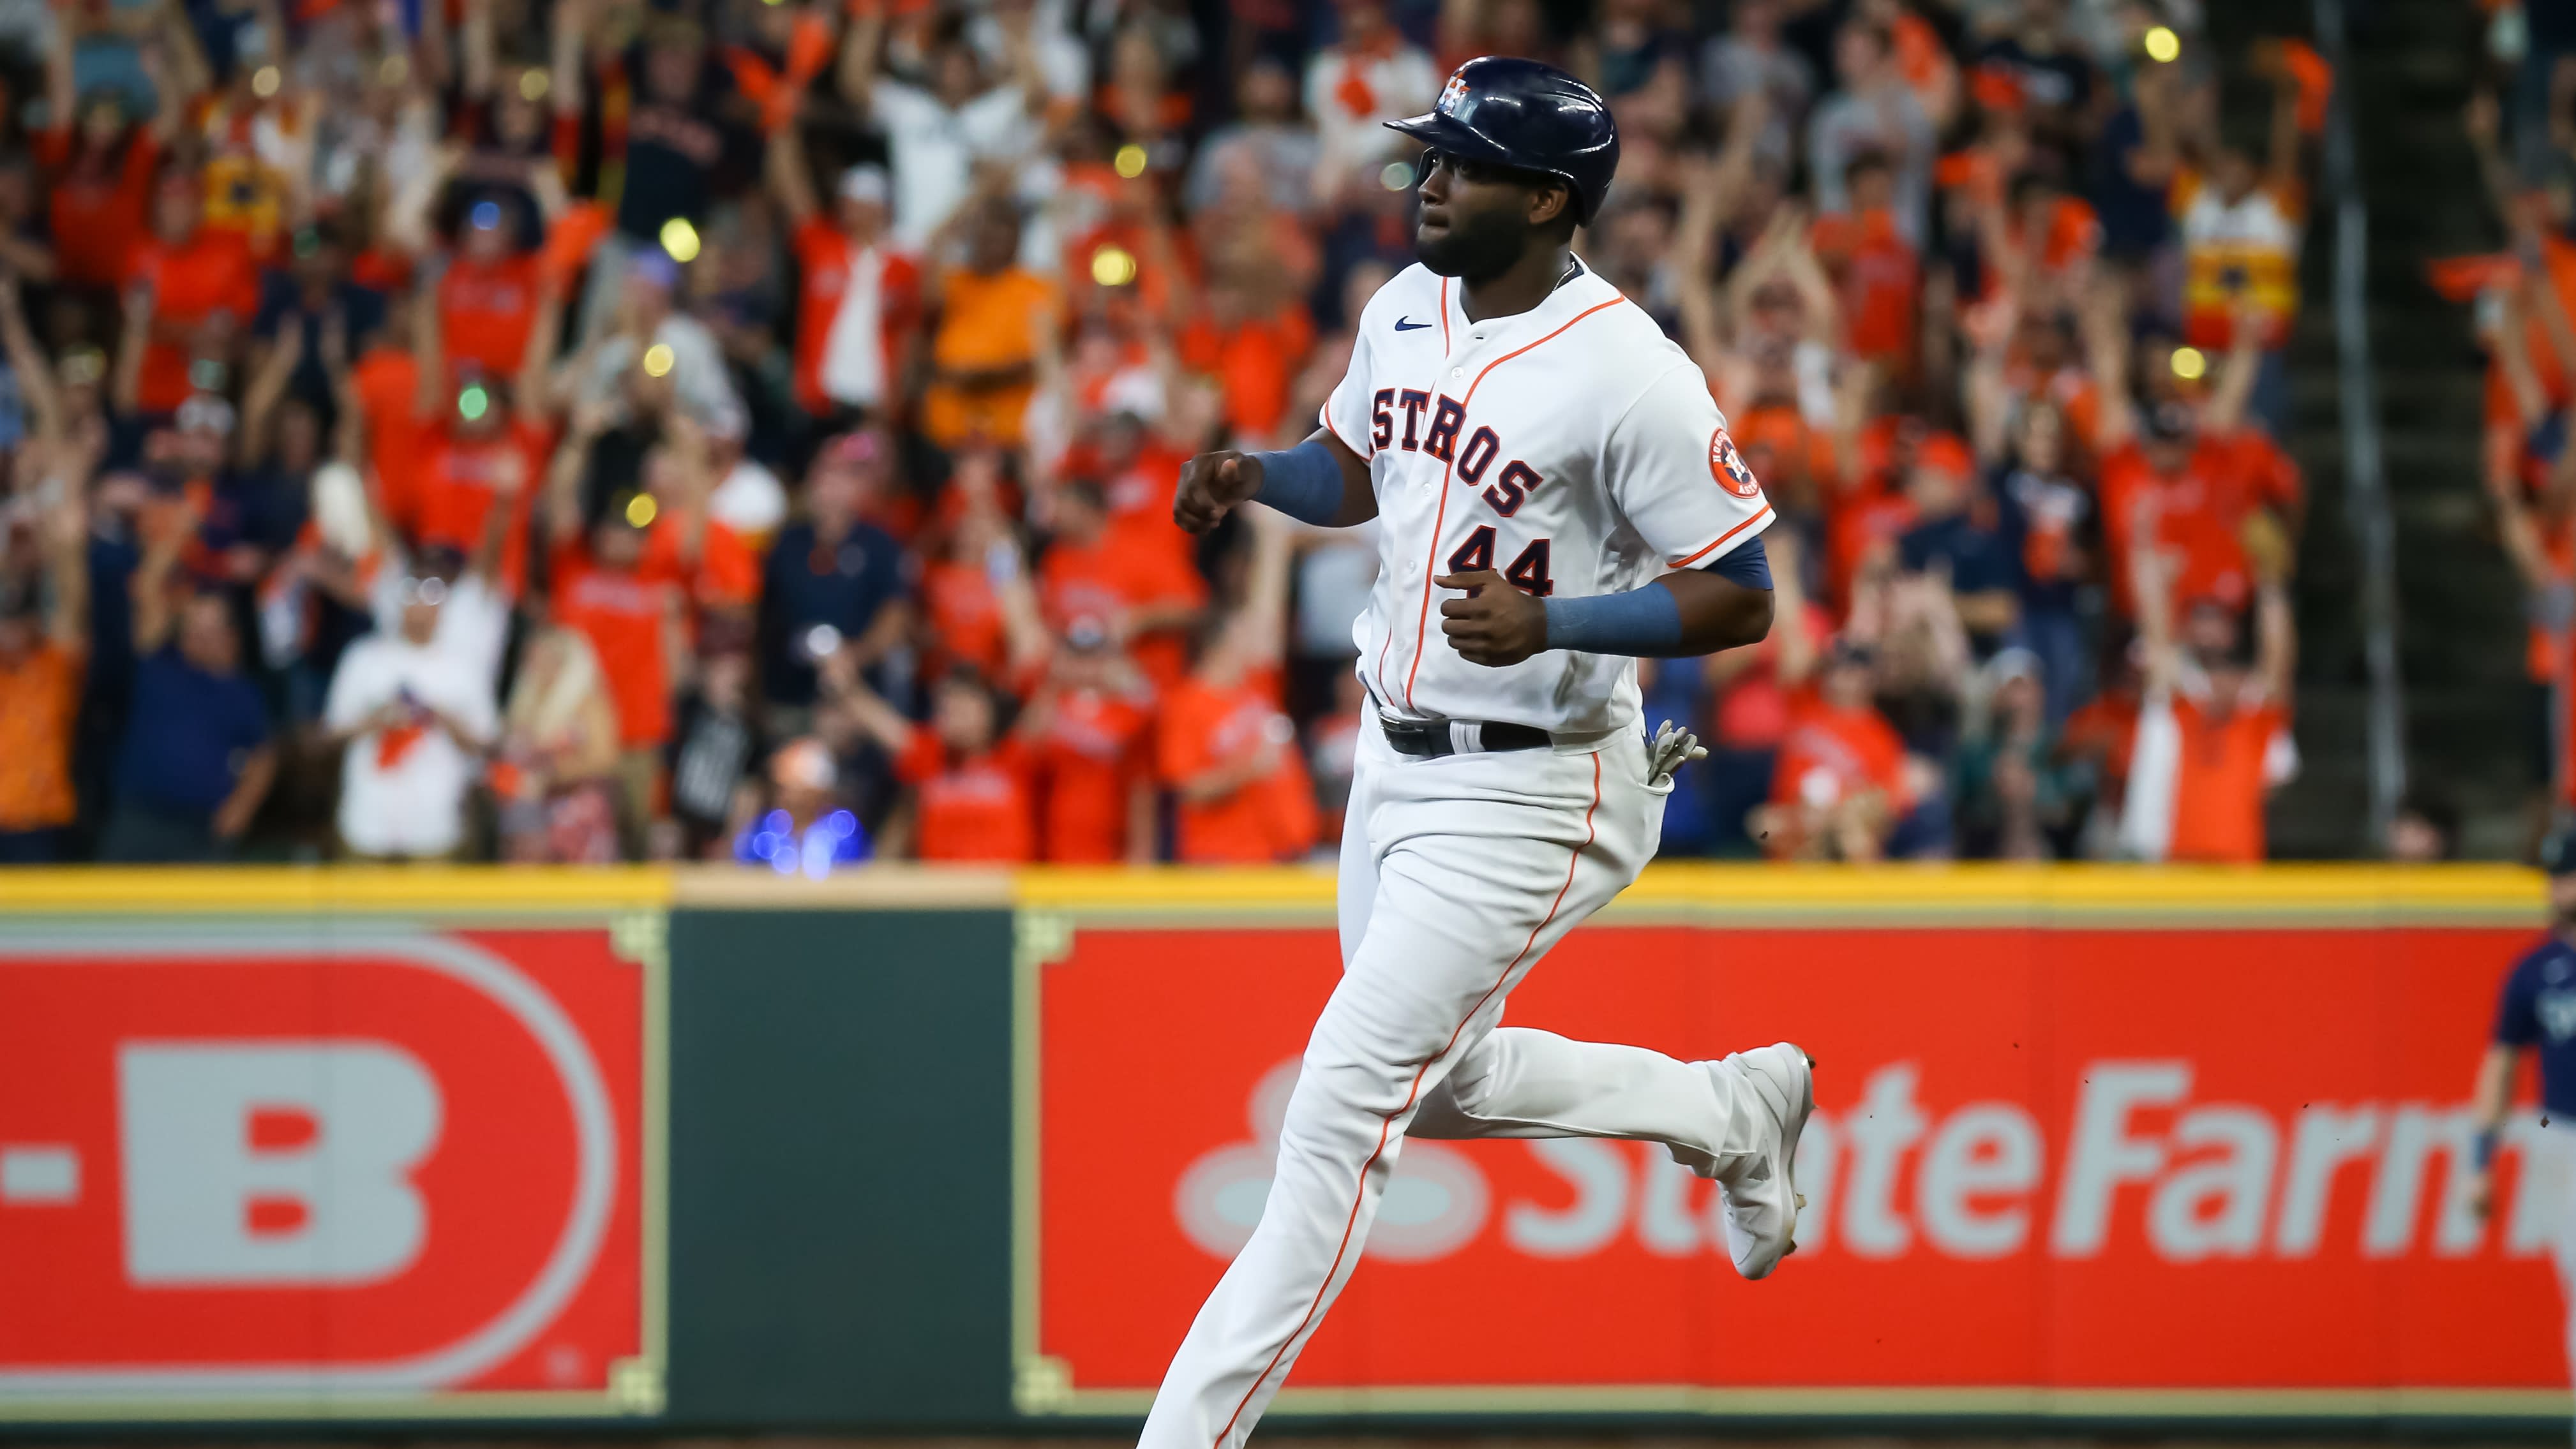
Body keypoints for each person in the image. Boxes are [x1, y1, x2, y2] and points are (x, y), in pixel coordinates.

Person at [1140, 59, 1808, 1449]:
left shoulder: (1633, 372)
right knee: (1436, 1085)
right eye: (1429, 155)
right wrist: (1259, 474)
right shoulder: (1404, 303)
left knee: (1334, 1114)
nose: (1429, 180)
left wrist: (1557, 616)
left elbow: (1740, 589)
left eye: (1462, 164)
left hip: (1535, 778)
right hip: (1391, 766)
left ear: (1549, 199)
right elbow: (1354, 460)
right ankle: (1725, 1108)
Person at [2466, 828, 2576, 1445]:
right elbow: (2500, 1064)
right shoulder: (2535, 970)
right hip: (2566, 1138)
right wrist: (2480, 1161)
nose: (2563, 886)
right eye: (2557, 875)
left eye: (2572, 873)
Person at [101, 510, 274, 861]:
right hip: (139, 820)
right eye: (195, 629)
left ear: (230, 635)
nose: (202, 639)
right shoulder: (158, 665)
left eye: (211, 630)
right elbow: (149, 589)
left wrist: (240, 808)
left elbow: (264, 755)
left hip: (201, 831)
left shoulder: (241, 692)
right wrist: (174, 540)